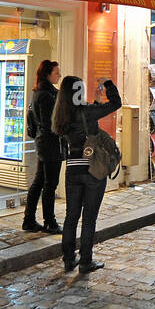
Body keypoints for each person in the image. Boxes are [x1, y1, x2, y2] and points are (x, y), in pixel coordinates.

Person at [52, 75, 122, 274]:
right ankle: (85, 261)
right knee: (89, 217)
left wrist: (95, 101)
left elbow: (81, 122)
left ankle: (68, 259)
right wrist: (108, 83)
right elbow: (116, 103)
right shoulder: (87, 112)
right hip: (92, 169)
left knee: (71, 216)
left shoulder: (61, 115)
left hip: (72, 169)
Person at [22, 60, 62, 233]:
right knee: (49, 184)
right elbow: (49, 123)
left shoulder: (40, 92)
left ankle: (29, 219)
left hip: (43, 142)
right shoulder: (46, 95)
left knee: (39, 181)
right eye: (56, 72)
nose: (59, 75)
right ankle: (49, 222)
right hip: (50, 144)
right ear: (47, 74)